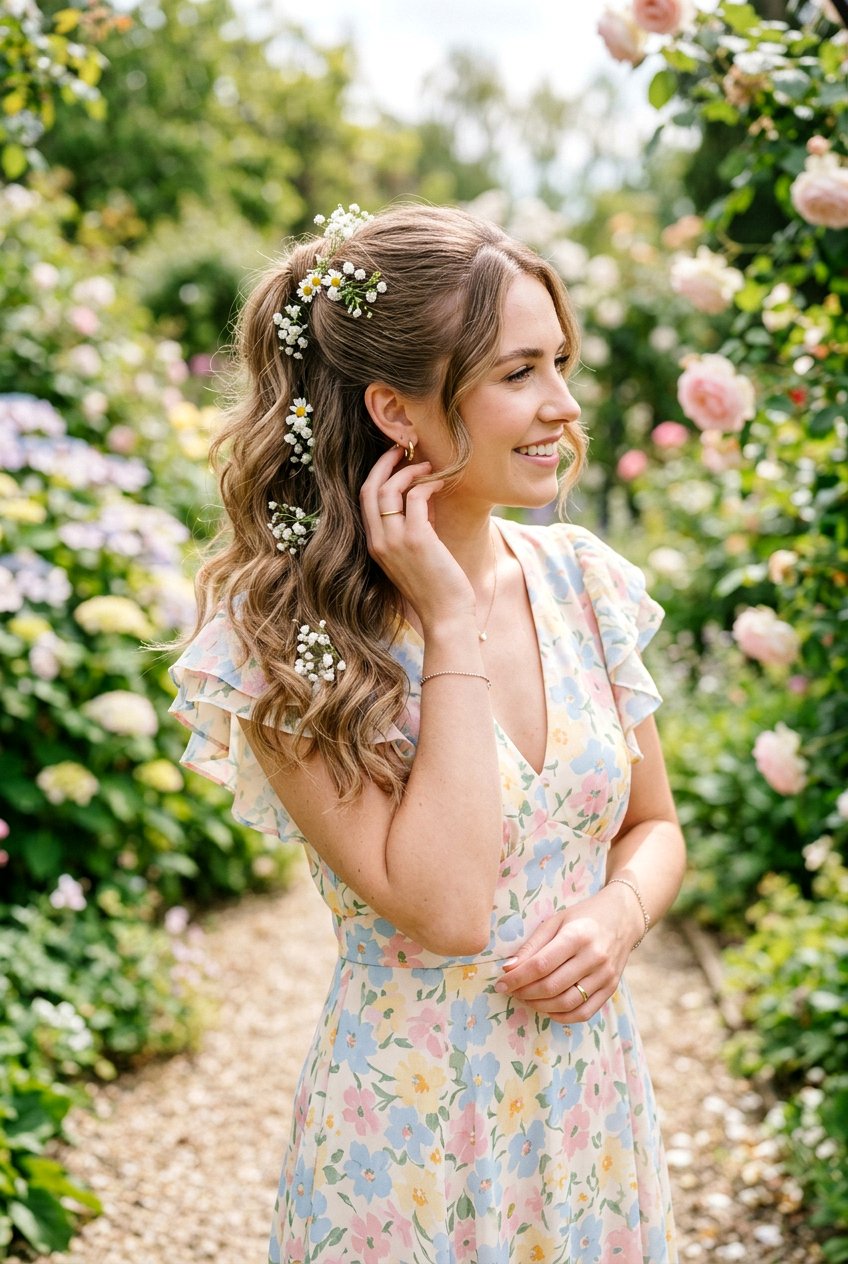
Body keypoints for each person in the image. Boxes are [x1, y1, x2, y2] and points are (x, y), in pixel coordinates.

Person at [169, 203, 686, 1264]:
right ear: (396, 411)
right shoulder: (285, 639)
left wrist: (620, 912)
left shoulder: (585, 582)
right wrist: (447, 619)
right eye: (516, 373)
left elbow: (652, 823)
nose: (563, 404)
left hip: (585, 1107)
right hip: (405, 1141)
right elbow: (449, 909)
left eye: (560, 361)